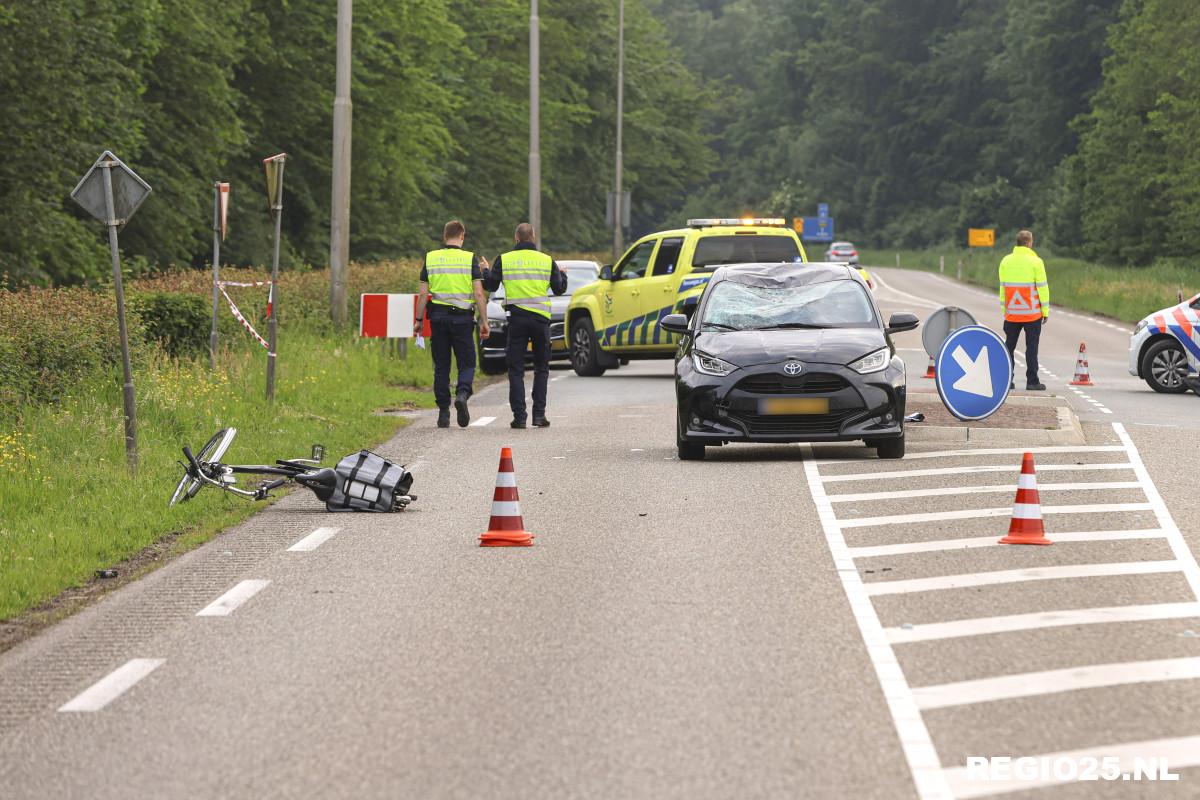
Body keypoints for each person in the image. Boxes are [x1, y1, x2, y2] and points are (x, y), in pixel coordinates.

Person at [483, 223, 567, 428]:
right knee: (541, 368)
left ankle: (519, 418)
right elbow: (559, 289)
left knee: (516, 369)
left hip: (517, 320)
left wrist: (485, 270)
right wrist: (563, 274)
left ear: (516, 238)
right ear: (534, 237)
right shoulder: (547, 261)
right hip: (540, 321)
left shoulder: (504, 259)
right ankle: (539, 416)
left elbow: (491, 286)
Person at [414, 220, 491, 428]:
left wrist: (419, 321)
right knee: (467, 363)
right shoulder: (469, 259)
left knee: (441, 365)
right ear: (462, 236)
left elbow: (423, 295)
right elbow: (478, 293)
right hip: (463, 320)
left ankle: (443, 413)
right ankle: (463, 394)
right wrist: (484, 321)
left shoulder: (431, 258)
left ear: (444, 236)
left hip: (438, 318)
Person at [998, 229, 1050, 390]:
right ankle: (1032, 381)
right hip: (1031, 314)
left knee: (1009, 347)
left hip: (1012, 313)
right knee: (1031, 348)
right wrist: (1045, 311)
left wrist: (1005, 310)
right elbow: (1042, 288)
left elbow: (1003, 289)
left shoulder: (1005, 261)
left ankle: (1006, 380)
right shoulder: (1036, 262)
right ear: (1029, 243)